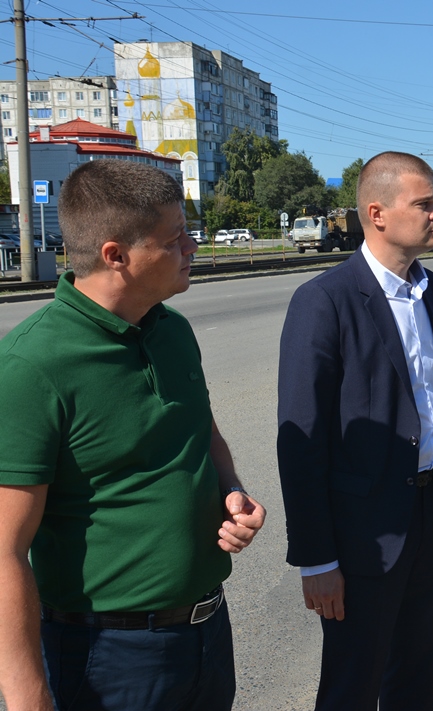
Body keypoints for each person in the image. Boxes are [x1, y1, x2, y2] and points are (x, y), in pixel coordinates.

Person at [0, 160, 265, 711]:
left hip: (206, 630)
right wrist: (29, 698)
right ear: (115, 255)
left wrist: (230, 489)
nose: (192, 247)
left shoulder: (172, 329)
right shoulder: (33, 364)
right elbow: (5, 551)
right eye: (175, 239)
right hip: (105, 655)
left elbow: (200, 429)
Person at [277, 151, 433, 711]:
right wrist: (316, 558)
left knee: (417, 679)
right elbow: (301, 438)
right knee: (352, 686)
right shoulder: (325, 301)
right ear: (378, 213)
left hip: (431, 521)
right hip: (362, 537)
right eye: (426, 204)